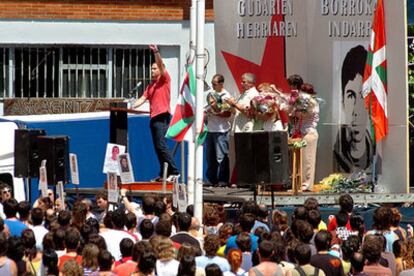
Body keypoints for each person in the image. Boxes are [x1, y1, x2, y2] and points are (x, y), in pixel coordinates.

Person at [132, 44, 180, 182]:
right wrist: (130, 105)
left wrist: (156, 52)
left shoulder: (165, 80)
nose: (151, 70)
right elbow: (142, 98)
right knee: (158, 148)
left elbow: (160, 63)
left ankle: (175, 171)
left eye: (154, 68)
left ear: (161, 69)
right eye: (151, 68)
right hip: (153, 118)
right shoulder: (150, 85)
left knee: (162, 145)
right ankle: (164, 173)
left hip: (162, 116)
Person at [333, 45, 380, 173]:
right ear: (342, 100)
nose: (355, 111)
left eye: (362, 96)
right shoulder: (336, 156)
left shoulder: (377, 158)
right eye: (350, 96)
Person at [288, 75, 319, 192]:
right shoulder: (298, 102)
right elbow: (293, 119)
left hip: (308, 133)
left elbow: (306, 114)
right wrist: (291, 113)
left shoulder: (312, 103)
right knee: (297, 161)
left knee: (307, 161)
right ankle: (296, 185)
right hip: (298, 133)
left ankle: (306, 185)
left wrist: (297, 109)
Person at [205, 74, 232, 187]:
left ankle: (223, 180)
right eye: (211, 84)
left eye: (214, 84)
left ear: (221, 84)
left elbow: (227, 113)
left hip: (221, 130)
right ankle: (212, 180)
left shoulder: (226, 96)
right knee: (210, 157)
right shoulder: (210, 94)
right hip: (210, 129)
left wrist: (215, 111)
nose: (212, 86)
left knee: (221, 157)